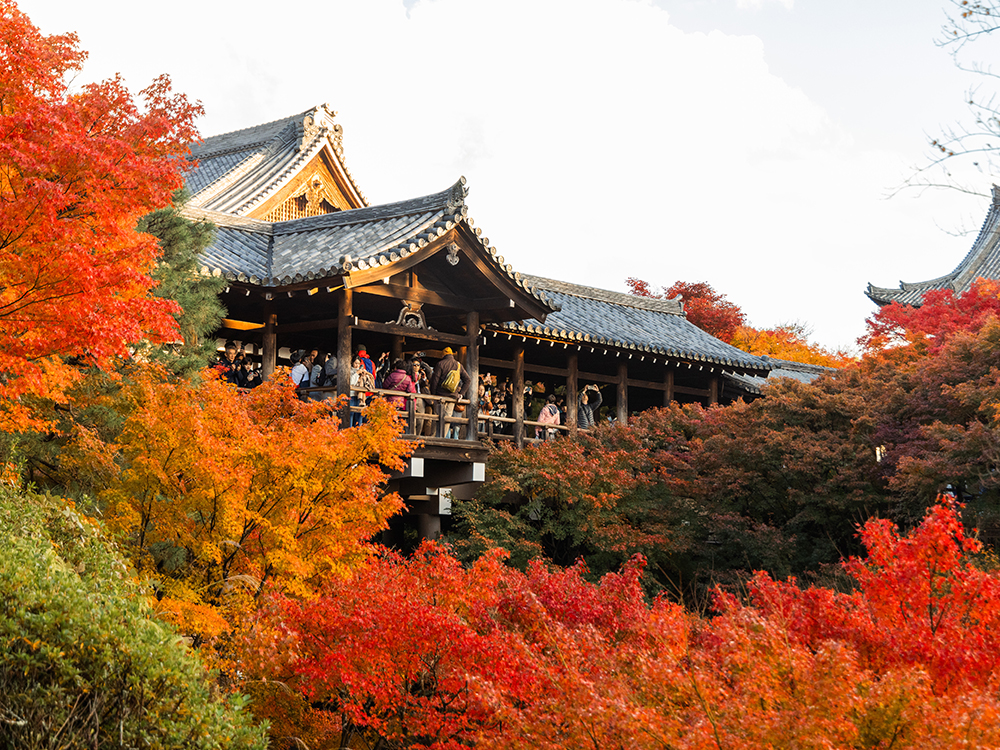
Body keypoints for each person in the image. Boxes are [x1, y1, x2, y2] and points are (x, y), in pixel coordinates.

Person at [429, 347, 470, 438]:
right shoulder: (458, 365)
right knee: (447, 418)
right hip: (452, 397)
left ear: (443, 355)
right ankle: (442, 438)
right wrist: (461, 394)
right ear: (451, 354)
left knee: (437, 417)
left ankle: (433, 437)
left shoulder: (440, 364)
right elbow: (467, 380)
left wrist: (433, 395)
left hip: (440, 396)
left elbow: (435, 381)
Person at [349, 355, 375, 426]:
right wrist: (356, 374)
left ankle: (359, 431)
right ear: (352, 363)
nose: (357, 365)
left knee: (360, 414)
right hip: (352, 394)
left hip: (360, 396)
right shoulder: (349, 371)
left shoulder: (362, 371)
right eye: (355, 363)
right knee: (350, 414)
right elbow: (351, 383)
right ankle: (349, 430)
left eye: (358, 363)